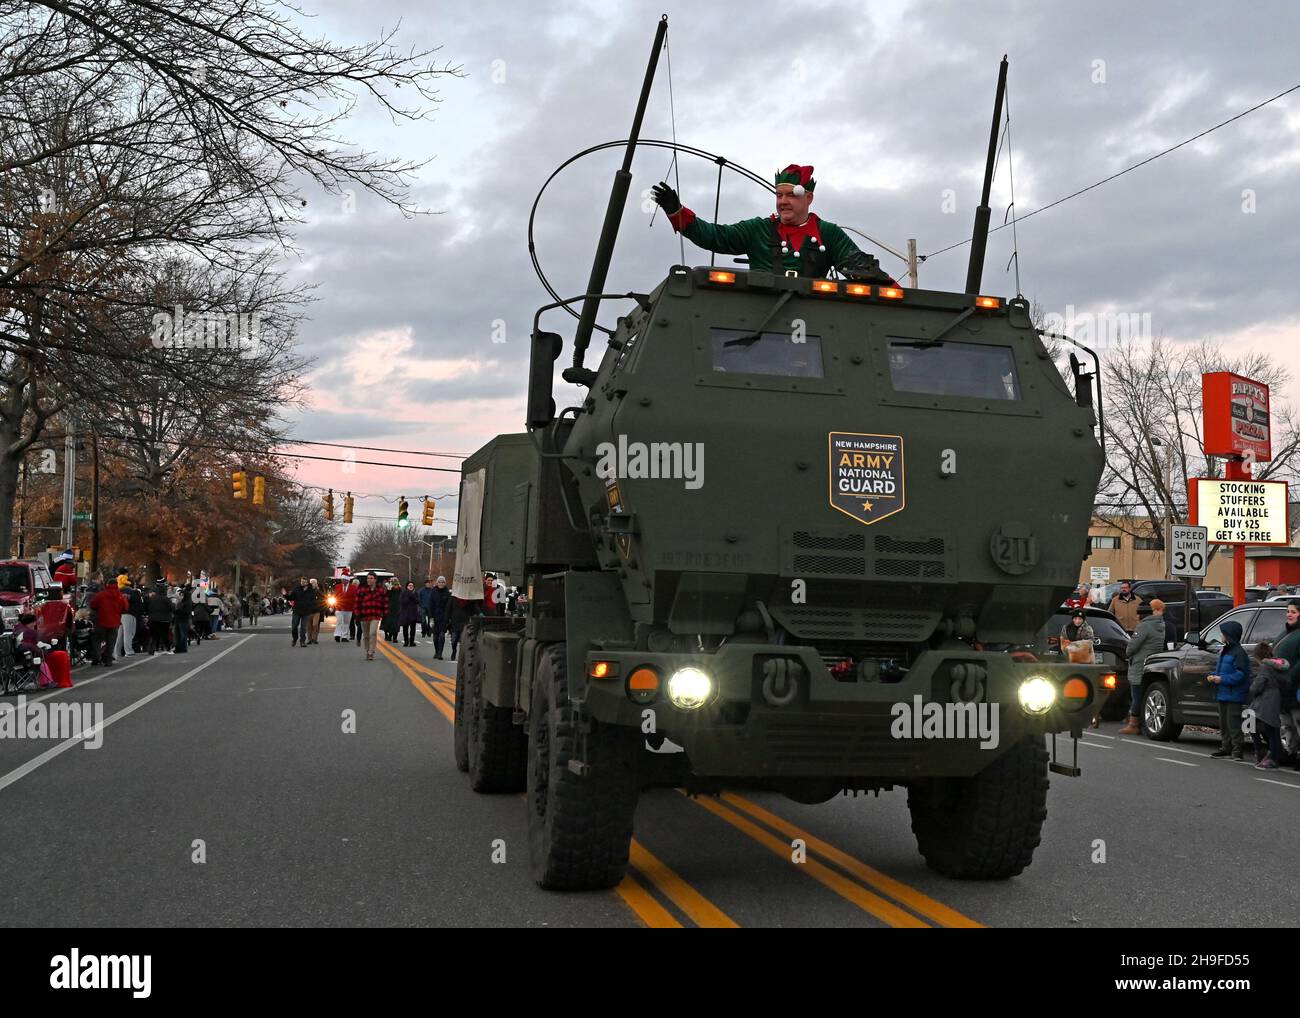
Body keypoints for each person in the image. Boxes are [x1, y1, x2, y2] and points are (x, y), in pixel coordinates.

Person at [651, 164, 894, 281]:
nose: (783, 202)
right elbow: (714, 236)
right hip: (762, 320)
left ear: (808, 198)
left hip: (817, 319)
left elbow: (861, 268)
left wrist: (902, 298)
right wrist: (676, 210)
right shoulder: (758, 229)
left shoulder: (828, 233)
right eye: (779, 196)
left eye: (791, 195)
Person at [1120, 599, 1167, 735]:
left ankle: (1133, 724)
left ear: (1141, 615)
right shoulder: (1161, 624)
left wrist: (1128, 652)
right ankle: (1141, 723)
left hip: (1140, 663)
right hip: (1151, 663)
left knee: (1136, 694)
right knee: (1144, 694)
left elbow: (1132, 646)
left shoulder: (1144, 626)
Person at [1208, 619, 1250, 760]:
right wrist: (1215, 676)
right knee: (1224, 723)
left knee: (1233, 723)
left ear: (1229, 635)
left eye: (1223, 634)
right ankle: (1226, 747)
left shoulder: (1239, 653)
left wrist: (1222, 679)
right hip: (1223, 693)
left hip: (1234, 694)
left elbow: (1241, 674)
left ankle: (1237, 750)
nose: (1221, 636)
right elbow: (1223, 670)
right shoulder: (1225, 650)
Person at [1247, 641, 1288, 770]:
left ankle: (1267, 755)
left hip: (1265, 701)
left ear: (1259, 657)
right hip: (1275, 699)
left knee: (1251, 724)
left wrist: (1252, 687)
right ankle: (1272, 754)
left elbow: (1258, 686)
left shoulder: (1265, 667)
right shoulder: (1279, 666)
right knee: (1273, 729)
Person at [1273, 603, 1300, 771]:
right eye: (1288, 612)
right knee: (1287, 724)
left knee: (1298, 723)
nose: (1289, 615)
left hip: (1296, 688)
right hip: (1282, 688)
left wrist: (1290, 677)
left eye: (1293, 612)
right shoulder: (1284, 633)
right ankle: (1291, 752)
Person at [89, 580, 128, 667]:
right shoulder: (120, 596)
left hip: (101, 621)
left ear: (108, 585)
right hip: (114, 622)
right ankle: (108, 660)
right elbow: (125, 608)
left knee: (96, 639)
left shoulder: (101, 595)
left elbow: (93, 605)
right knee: (111, 642)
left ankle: (96, 657)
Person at [354, 572, 388, 661]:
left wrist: (385, 613)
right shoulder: (361, 589)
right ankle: (367, 649)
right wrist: (357, 614)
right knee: (366, 635)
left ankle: (371, 652)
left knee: (372, 633)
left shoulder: (381, 590)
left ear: (375, 579)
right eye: (368, 578)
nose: (369, 580)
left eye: (371, 578)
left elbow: (385, 602)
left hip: (375, 615)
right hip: (364, 615)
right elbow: (357, 602)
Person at [115, 576, 141, 659]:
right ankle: (128, 651)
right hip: (129, 614)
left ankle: (116, 652)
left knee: (119, 635)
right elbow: (138, 602)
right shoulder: (133, 592)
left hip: (119, 614)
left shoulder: (118, 591)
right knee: (128, 633)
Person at [145, 580, 174, 654]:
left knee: (154, 635)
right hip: (164, 619)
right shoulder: (166, 599)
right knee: (165, 635)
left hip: (153, 619)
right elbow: (172, 607)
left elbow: (148, 608)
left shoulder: (152, 599)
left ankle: (153, 649)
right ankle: (168, 649)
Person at [430, 576, 451, 659]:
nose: (441, 583)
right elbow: (430, 604)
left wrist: (449, 617)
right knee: (435, 636)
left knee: (442, 635)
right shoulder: (433, 592)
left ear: (445, 583)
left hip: (444, 616)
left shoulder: (447, 593)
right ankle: (436, 651)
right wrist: (431, 617)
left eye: (443, 582)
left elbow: (449, 605)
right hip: (435, 616)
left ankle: (440, 653)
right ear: (437, 583)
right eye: (440, 582)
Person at [287, 576, 311, 647]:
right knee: (294, 627)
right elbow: (291, 598)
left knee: (303, 627)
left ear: (307, 583)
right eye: (302, 582)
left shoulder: (310, 590)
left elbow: (313, 600)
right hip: (296, 611)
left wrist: (311, 608)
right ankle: (295, 639)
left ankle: (302, 641)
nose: (302, 583)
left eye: (304, 582)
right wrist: (285, 595)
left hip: (306, 612)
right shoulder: (296, 589)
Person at [333, 578, 356, 643]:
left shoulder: (353, 587)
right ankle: (337, 635)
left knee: (346, 622)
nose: (343, 581)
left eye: (344, 579)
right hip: (339, 607)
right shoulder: (338, 586)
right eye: (342, 579)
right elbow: (335, 595)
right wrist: (332, 606)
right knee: (339, 621)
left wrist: (354, 606)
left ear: (348, 580)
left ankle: (344, 636)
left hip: (349, 608)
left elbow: (355, 597)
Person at [399, 580, 421, 647]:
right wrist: (408, 598)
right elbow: (401, 601)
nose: (411, 587)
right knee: (405, 628)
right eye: (409, 585)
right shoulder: (403, 593)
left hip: (413, 613)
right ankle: (406, 641)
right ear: (407, 586)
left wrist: (413, 597)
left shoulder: (415, 593)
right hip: (405, 613)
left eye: (412, 586)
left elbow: (418, 601)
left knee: (413, 629)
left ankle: (411, 642)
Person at [174, 584, 194, 653]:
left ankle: (182, 648)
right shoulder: (185, 601)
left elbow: (186, 611)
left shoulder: (186, 602)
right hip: (180, 619)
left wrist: (177, 611)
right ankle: (179, 648)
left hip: (183, 619)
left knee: (182, 634)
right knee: (178, 634)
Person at [306, 578, 324, 645]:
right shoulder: (307, 590)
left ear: (316, 583)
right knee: (309, 626)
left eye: (314, 582)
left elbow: (324, 597)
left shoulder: (319, 590)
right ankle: (309, 639)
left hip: (317, 611)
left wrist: (317, 589)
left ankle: (314, 639)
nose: (313, 584)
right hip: (308, 611)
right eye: (311, 583)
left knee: (315, 624)